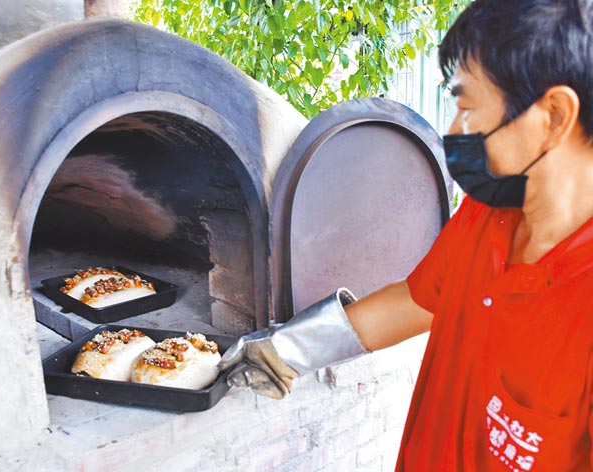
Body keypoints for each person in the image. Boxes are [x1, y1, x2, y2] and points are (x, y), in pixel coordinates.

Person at [218, 0, 593, 469]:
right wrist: (287, 348)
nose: (454, 129)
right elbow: (416, 301)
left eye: (470, 109)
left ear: (554, 116)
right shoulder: (487, 214)